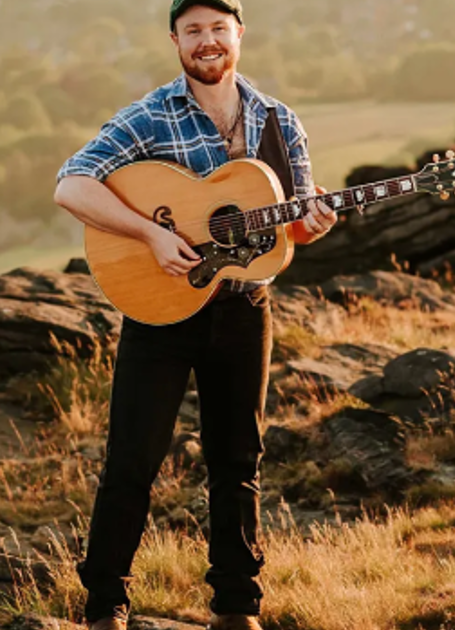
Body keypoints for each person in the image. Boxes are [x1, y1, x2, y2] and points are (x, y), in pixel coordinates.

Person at [52, 1, 337, 628]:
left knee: (239, 460)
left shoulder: (278, 122)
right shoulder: (150, 115)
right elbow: (71, 184)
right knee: (132, 461)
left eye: (217, 29)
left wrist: (313, 223)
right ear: (175, 40)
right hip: (161, 312)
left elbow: (289, 229)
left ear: (239, 35)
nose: (207, 42)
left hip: (243, 310)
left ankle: (237, 610)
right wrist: (150, 235)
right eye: (193, 32)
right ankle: (105, 608)